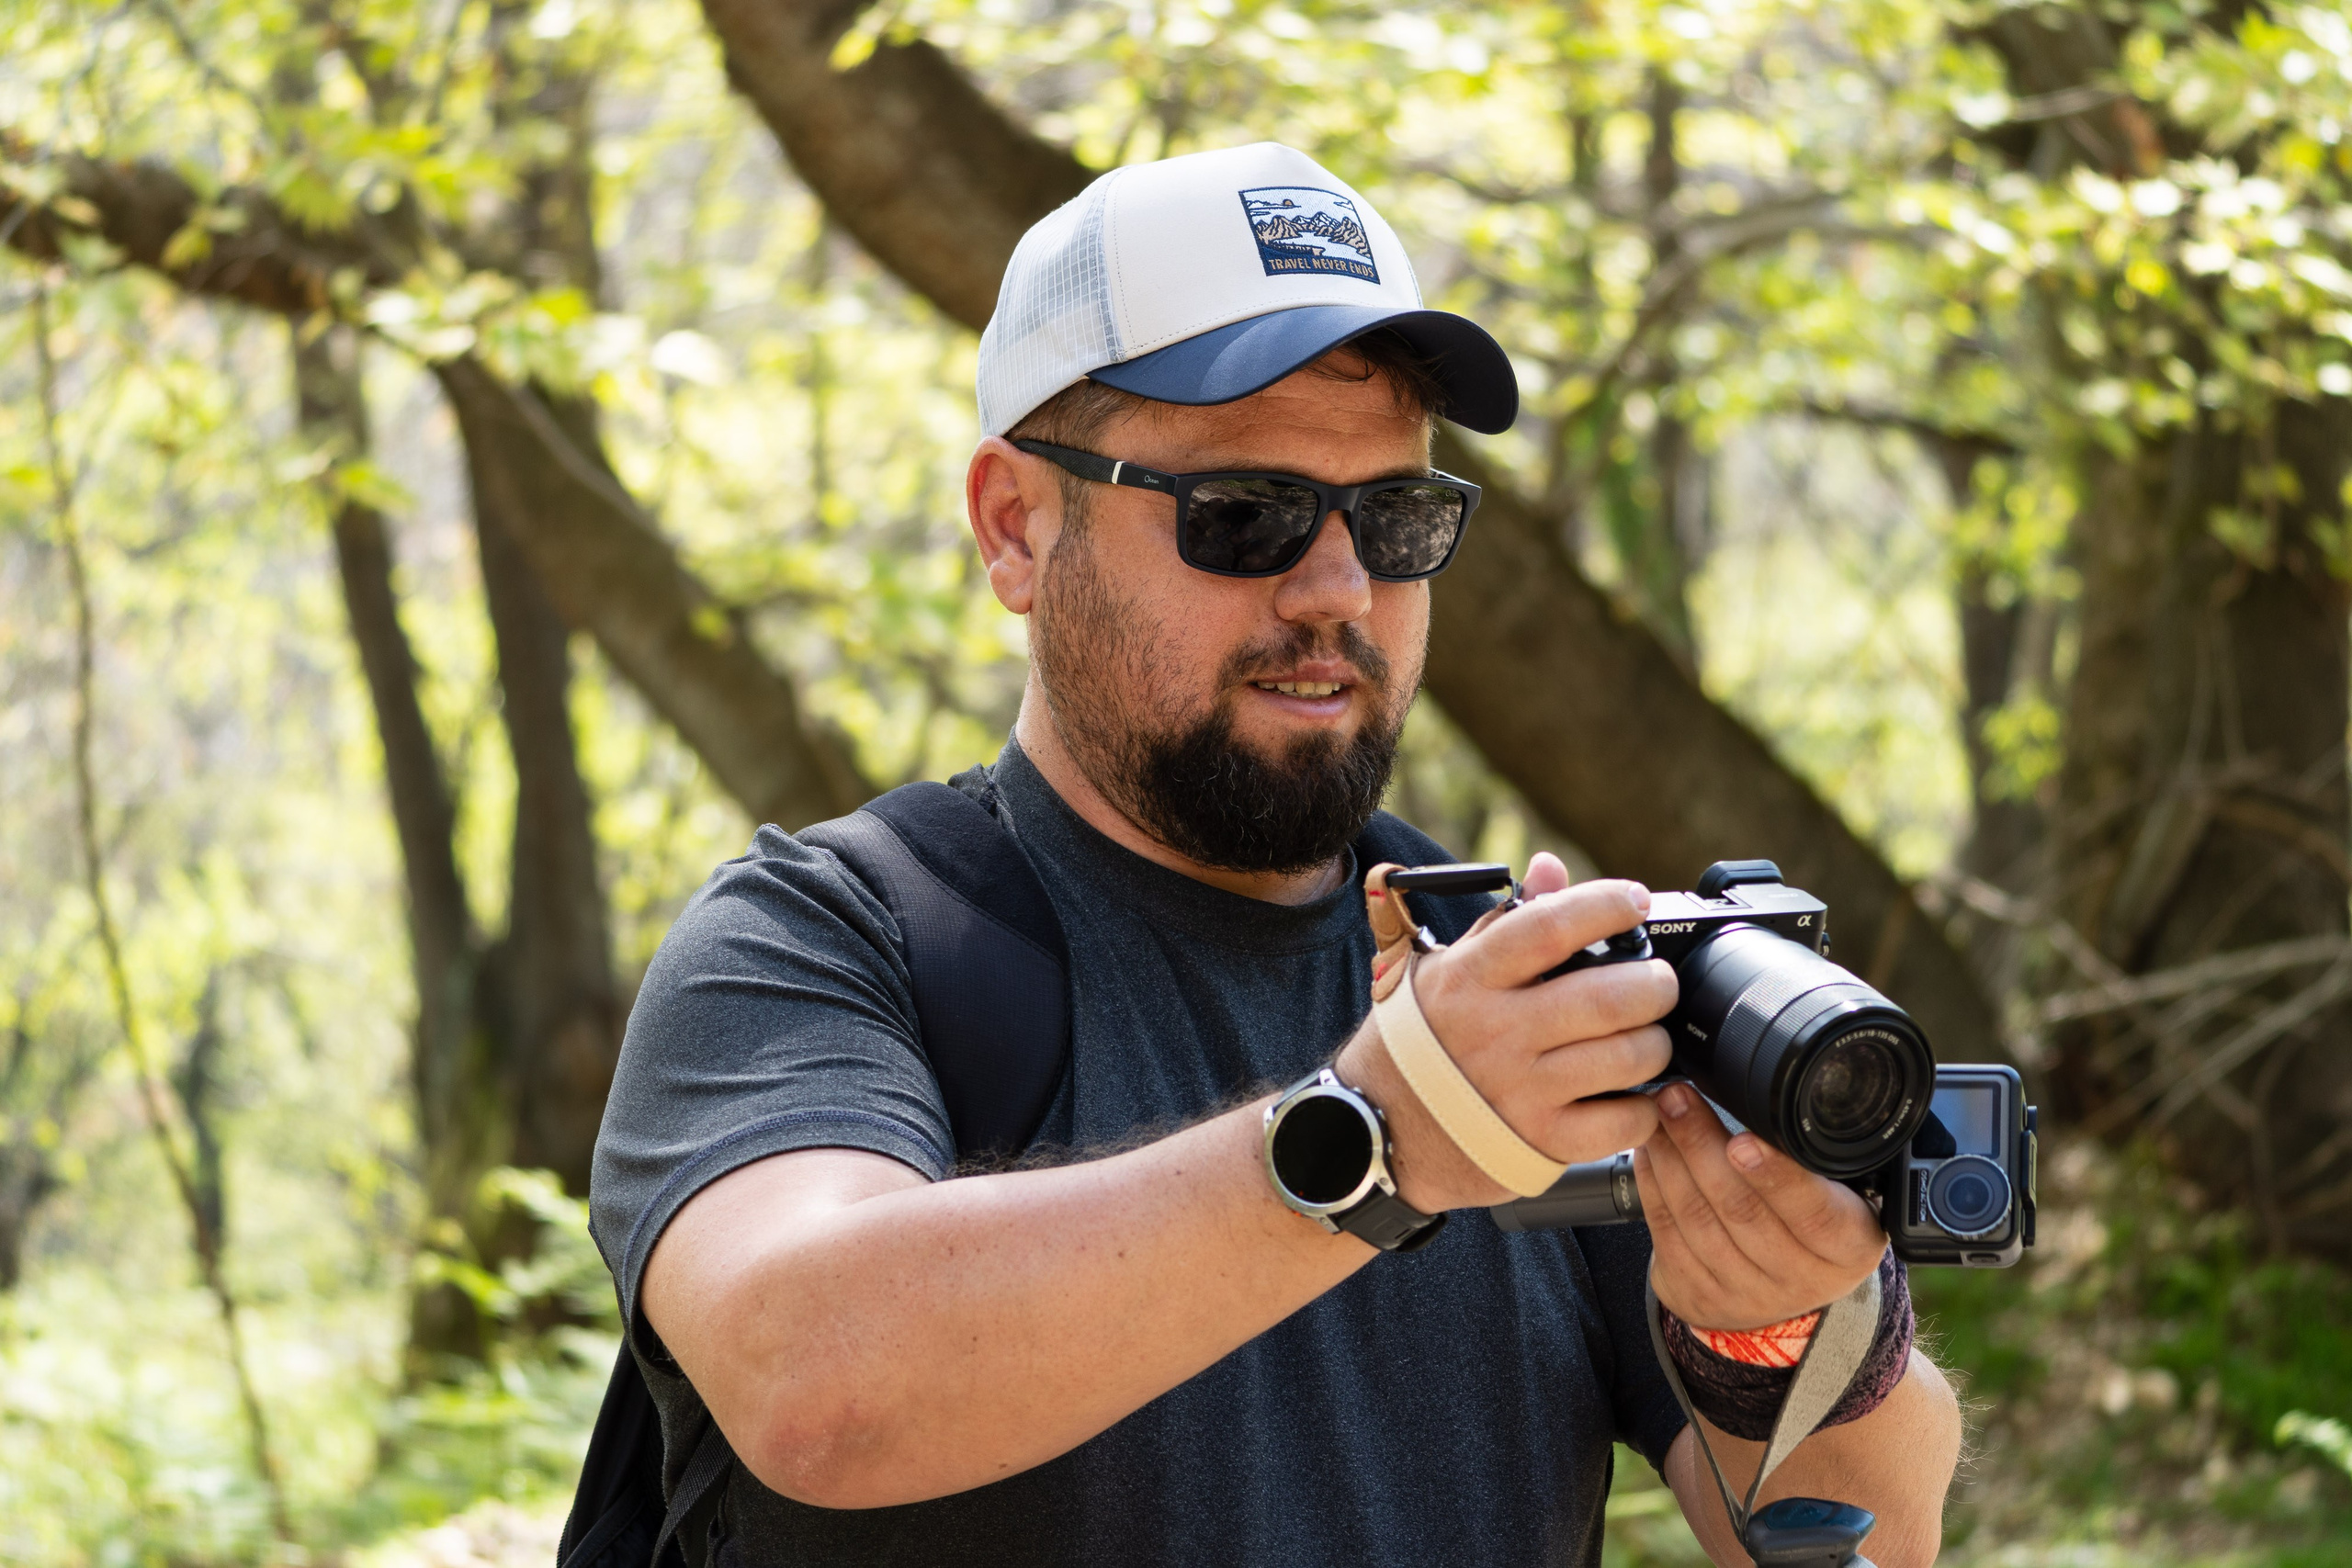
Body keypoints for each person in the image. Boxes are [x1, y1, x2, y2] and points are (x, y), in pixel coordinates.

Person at [590, 141, 1962, 1567]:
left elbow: (1871, 1533)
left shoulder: (1502, 981)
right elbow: (818, 1384)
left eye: (1397, 518)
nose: (1338, 589)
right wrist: (1383, 1138)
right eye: (1242, 515)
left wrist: (1777, 1318)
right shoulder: (823, 940)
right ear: (1014, 528)